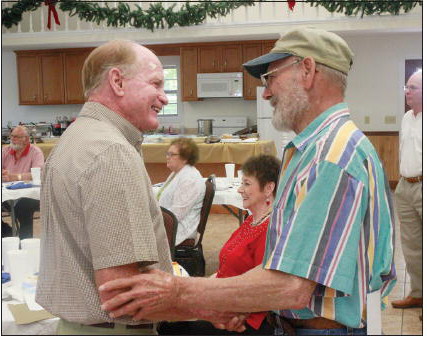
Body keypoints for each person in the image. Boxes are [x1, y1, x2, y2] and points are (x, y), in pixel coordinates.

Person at [99, 28, 397, 336]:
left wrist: (177, 291)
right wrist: (232, 300)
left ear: (307, 71)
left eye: (271, 78)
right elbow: (283, 262)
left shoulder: (331, 157)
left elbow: (292, 286)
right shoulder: (315, 149)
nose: (266, 92)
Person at [35, 40, 239, 335]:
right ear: (117, 81)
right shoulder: (110, 152)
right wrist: (207, 307)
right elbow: (123, 296)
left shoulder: (76, 138)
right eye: (156, 84)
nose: (165, 97)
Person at [158, 154, 280, 335]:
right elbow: (226, 271)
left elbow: (261, 290)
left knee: (170, 326)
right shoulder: (251, 221)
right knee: (166, 315)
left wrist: (207, 300)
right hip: (226, 305)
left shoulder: (269, 229)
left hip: (244, 321)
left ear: (269, 188)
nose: (240, 190)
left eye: (246, 184)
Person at [391, 70, 422, 310]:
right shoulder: (406, 118)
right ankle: (418, 293)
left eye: (413, 87)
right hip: (405, 186)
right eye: (407, 87)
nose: (407, 91)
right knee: (411, 246)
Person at [157, 137, 205, 245]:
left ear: (185, 158)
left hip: (179, 232)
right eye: (167, 154)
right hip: (169, 225)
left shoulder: (189, 179)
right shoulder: (178, 172)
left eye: (172, 155)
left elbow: (175, 215)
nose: (167, 157)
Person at [1, 125, 44, 239]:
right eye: (12, 136)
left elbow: (38, 174)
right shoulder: (5, 151)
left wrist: (15, 177)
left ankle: (25, 242)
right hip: (7, 193)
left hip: (29, 194)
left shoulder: (35, 152)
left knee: (24, 209)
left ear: (26, 139)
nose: (13, 139)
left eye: (17, 137)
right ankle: (9, 234)